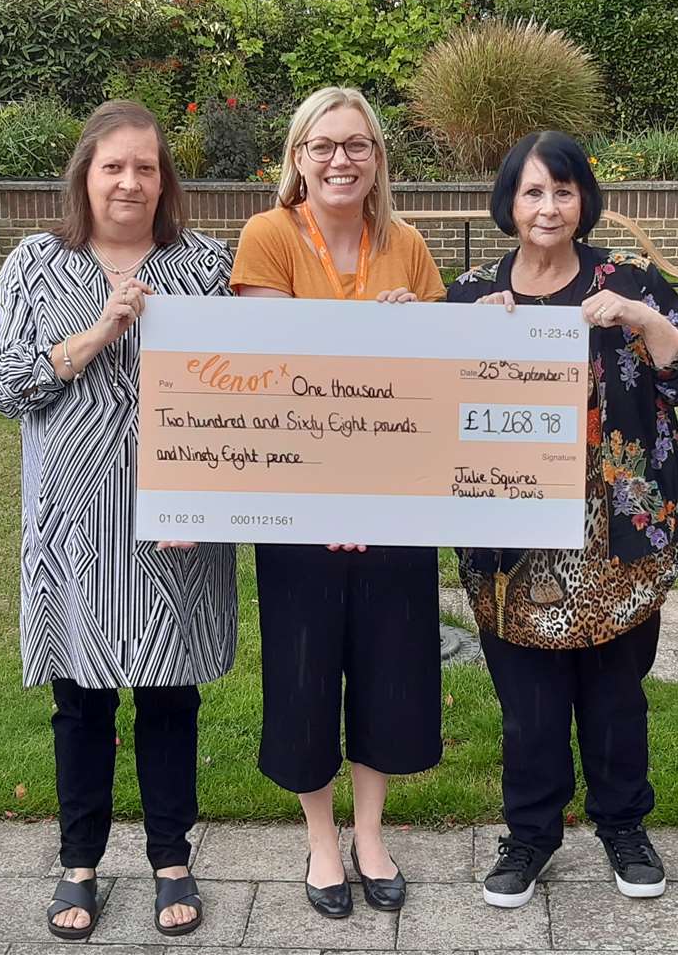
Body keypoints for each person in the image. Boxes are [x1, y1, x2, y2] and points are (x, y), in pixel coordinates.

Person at [0, 100, 237, 941]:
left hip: (179, 522)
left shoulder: (202, 265)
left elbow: (240, 391)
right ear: (84, 174)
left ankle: (172, 857)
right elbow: (4, 385)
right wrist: (97, 332)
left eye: (147, 167)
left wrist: (214, 494)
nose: (130, 182)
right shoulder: (34, 264)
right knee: (81, 700)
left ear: (165, 182)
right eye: (113, 166)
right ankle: (79, 864)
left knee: (171, 697)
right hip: (74, 523)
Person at [447, 130, 678, 909]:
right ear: (508, 202)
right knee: (528, 707)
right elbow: (422, 410)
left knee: (616, 698)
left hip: (619, 534)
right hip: (511, 541)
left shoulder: (628, 281)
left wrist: (641, 319)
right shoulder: (469, 294)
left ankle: (623, 826)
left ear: (583, 199)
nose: (548, 207)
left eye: (562, 191)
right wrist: (454, 332)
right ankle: (529, 837)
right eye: (532, 192)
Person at [230, 86, 446, 918]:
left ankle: (370, 834)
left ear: (378, 158)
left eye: (357, 145)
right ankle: (321, 840)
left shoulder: (411, 246)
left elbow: (434, 388)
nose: (340, 160)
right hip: (298, 505)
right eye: (323, 145)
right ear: (297, 156)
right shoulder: (269, 236)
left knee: (392, 672)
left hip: (396, 502)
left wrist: (414, 327)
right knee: (306, 670)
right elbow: (279, 374)